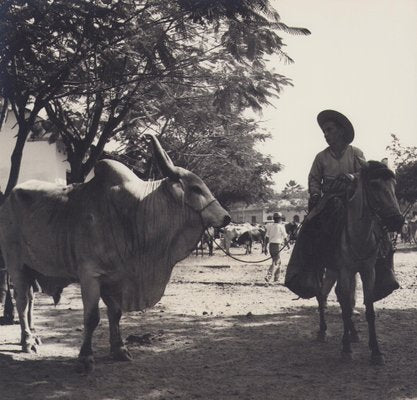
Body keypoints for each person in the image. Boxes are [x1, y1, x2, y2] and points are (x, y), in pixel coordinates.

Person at [307, 109, 366, 310]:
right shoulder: (321, 157)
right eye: (324, 131)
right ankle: (312, 262)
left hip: (353, 200)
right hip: (330, 201)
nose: (326, 134)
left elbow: (365, 174)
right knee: (312, 228)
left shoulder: (356, 153)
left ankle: (382, 263)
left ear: (341, 131)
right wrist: (315, 194)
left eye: (329, 130)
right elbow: (314, 179)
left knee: (375, 224)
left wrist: (353, 178)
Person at [264, 212, 289, 283]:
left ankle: (276, 278)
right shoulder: (281, 226)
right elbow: (285, 237)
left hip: (271, 245)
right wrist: (288, 245)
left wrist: (265, 247)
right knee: (276, 262)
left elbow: (266, 237)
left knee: (278, 262)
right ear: (280, 219)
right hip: (277, 245)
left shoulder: (269, 226)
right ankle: (268, 276)